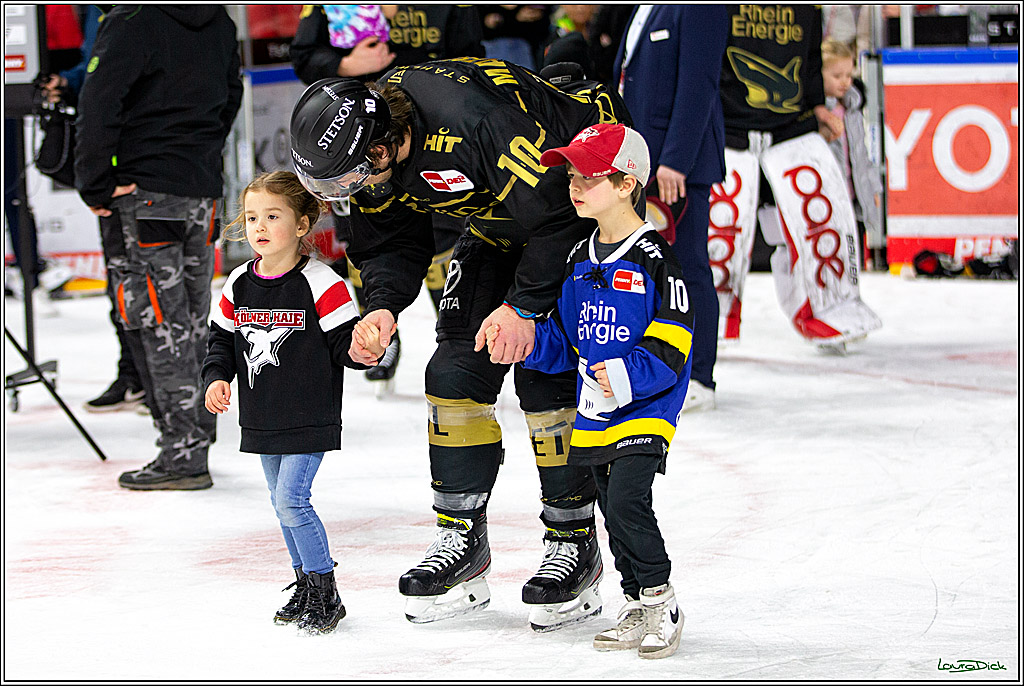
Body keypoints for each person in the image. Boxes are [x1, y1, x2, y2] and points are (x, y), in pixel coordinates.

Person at [288, 60, 631, 630]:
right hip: (498, 224)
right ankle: (460, 536)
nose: (344, 193)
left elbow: (557, 216)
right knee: (453, 372)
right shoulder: (372, 150)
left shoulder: (475, 124)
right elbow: (393, 239)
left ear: (380, 149)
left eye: (345, 181)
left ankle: (575, 541)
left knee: (546, 374)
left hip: (572, 217)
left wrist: (522, 307)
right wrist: (379, 306)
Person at [487, 123, 691, 659]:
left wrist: (624, 375)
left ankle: (661, 599)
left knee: (627, 500)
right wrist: (527, 343)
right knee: (607, 504)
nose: (575, 185)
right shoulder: (579, 256)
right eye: (573, 175)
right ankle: (634, 602)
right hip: (594, 410)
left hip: (647, 406)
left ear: (628, 184)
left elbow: (673, 347)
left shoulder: (656, 260)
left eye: (590, 176)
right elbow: (568, 338)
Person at [202, 171, 383, 635]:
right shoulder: (238, 281)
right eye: (252, 217)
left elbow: (345, 343)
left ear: (302, 225)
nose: (259, 226)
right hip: (263, 416)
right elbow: (220, 341)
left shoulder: (323, 282)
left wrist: (363, 351)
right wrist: (217, 378)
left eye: (273, 216)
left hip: (310, 413)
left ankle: (326, 591)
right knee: (280, 503)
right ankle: (305, 584)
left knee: (291, 501)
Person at [74, 6, 243, 489]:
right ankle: (196, 437)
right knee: (192, 315)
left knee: (158, 319)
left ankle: (183, 454)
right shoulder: (219, 20)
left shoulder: (132, 21)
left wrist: (96, 186)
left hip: (147, 190)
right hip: (201, 187)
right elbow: (230, 96)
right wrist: (199, 154)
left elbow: (98, 103)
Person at [290, 5, 485, 389]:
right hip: (354, 146)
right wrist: (346, 64)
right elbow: (303, 57)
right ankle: (383, 334)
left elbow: (472, 59)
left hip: (429, 135)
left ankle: (456, 335)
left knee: (447, 239)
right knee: (367, 238)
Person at [710, 4, 881, 351]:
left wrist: (817, 102)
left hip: (791, 128)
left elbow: (811, 57)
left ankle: (831, 309)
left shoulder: (808, 8)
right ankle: (712, 319)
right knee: (720, 227)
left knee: (819, 217)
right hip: (729, 130)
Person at [613, 5, 728, 412]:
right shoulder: (648, 8)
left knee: (689, 266)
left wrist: (676, 159)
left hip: (677, 165)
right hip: (639, 162)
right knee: (650, 269)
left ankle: (700, 375)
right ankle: (659, 368)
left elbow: (699, 83)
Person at [821, 39, 884, 266]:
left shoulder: (853, 110)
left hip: (854, 194)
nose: (845, 82)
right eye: (837, 76)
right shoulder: (817, 112)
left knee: (853, 253)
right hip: (828, 196)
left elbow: (861, 152)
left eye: (848, 75)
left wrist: (872, 186)